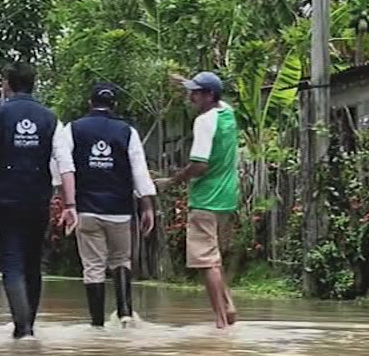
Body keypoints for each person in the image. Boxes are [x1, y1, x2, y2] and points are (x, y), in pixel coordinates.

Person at [54, 82, 157, 327]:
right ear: (115, 105)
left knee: (93, 267)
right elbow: (140, 172)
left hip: (86, 210)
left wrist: (65, 200)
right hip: (120, 211)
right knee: (121, 260)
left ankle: (97, 324)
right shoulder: (127, 131)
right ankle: (125, 315)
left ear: (90, 103)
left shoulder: (73, 129)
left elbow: (61, 164)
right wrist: (148, 206)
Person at [0, 63, 58, 339]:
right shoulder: (50, 118)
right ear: (33, 84)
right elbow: (60, 159)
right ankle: (30, 326)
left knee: (12, 260)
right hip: (39, 197)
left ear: (7, 85)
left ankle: (22, 329)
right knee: (33, 261)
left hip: (6, 197)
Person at [167, 71, 241, 329]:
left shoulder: (204, 121)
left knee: (206, 261)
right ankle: (228, 305)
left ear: (209, 95)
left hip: (205, 199)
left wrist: (173, 180)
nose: (191, 96)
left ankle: (221, 323)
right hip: (227, 199)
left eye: (196, 92)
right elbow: (214, 91)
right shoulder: (227, 113)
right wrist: (184, 80)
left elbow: (199, 165)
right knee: (214, 258)